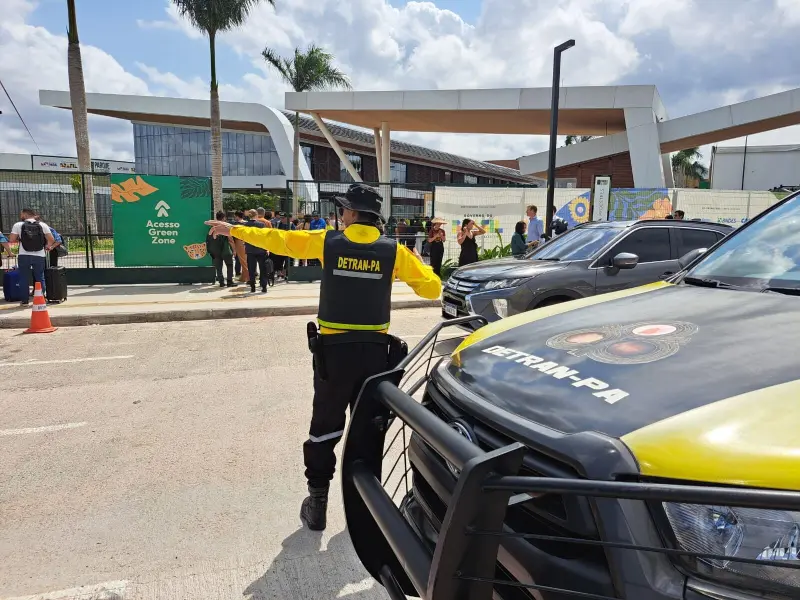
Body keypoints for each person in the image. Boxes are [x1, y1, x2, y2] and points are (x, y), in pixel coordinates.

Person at [205, 183, 441, 531]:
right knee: (369, 429)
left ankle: (317, 505)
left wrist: (233, 230)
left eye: (343, 210)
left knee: (324, 429)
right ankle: (366, 510)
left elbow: (278, 241)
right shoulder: (394, 251)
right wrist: (418, 266)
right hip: (377, 357)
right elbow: (432, 289)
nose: (341, 215)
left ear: (349, 214)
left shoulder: (327, 242)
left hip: (334, 357)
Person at [8, 208, 55, 306]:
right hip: (39, 255)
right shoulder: (42, 225)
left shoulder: (18, 225)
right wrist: (48, 246)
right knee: (40, 277)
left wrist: (19, 239)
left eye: (21, 214)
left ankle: (25, 301)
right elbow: (51, 239)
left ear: (25, 215)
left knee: (23, 277)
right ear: (34, 215)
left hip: (24, 255)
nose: (21, 216)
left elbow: (11, 239)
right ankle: (41, 299)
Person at [243, 210, 269, 294]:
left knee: (251, 269)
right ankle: (264, 286)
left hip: (250, 250)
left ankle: (252, 287)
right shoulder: (261, 225)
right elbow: (264, 237)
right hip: (260, 249)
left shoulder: (245, 225)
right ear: (256, 215)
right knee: (263, 269)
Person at [207, 210, 235, 287]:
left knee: (219, 267)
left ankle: (221, 282)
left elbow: (209, 239)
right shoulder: (226, 227)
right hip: (226, 251)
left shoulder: (211, 229)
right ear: (224, 218)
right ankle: (229, 281)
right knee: (229, 265)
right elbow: (231, 240)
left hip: (216, 251)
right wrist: (234, 250)